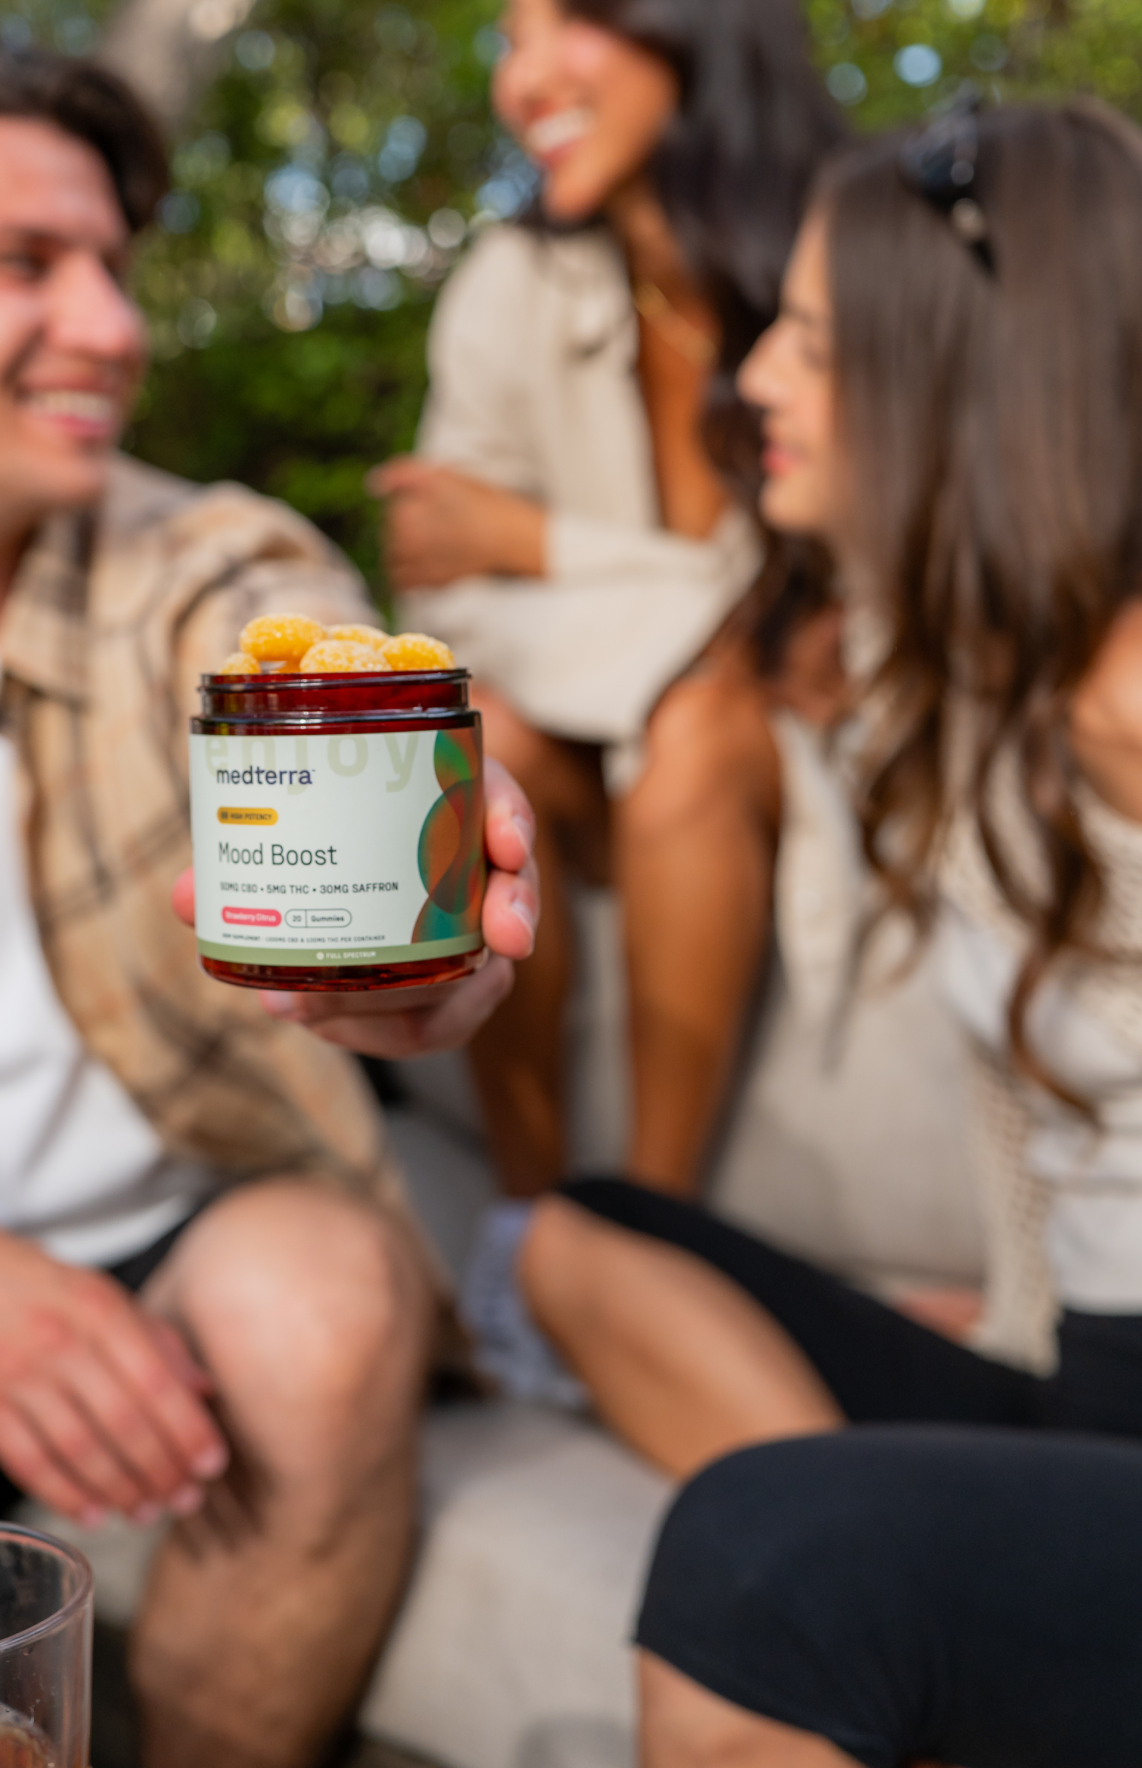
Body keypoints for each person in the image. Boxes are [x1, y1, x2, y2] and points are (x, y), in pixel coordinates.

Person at [0, 35, 538, 1768]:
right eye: (21, 264)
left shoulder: (195, 568)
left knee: (332, 1295)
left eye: (113, 268)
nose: (113, 325)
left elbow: (287, 640)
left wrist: (407, 922)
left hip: (186, 1244)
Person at [517, 99, 1142, 1766]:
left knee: (761, 1565)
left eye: (804, 333)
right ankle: (902, 1622)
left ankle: (850, 1598)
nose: (758, 381)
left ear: (953, 364)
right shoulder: (965, 684)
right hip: (1080, 1383)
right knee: (577, 1233)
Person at [372, 0, 847, 1200]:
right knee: (481, 730)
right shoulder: (507, 282)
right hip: (584, 752)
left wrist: (536, 542)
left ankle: (652, 1220)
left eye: (569, 18)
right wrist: (709, 623)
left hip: (781, 762)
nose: (524, 79)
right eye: (506, 36)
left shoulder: (849, 257)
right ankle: (529, 1227)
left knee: (699, 721)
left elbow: (852, 631)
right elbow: (451, 601)